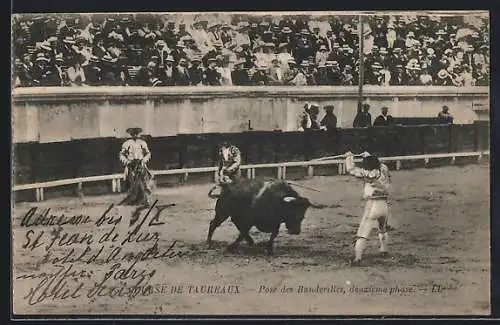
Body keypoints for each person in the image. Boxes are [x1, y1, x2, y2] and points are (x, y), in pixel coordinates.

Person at [345, 151, 391, 266]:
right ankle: (384, 250)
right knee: (382, 228)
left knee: (362, 233)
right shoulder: (383, 170)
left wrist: (349, 157)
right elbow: (379, 164)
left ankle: (357, 258)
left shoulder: (365, 173)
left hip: (372, 205)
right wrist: (369, 155)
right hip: (384, 206)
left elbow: (351, 169)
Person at [119, 127, 153, 206]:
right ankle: (133, 198)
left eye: (136, 133)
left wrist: (144, 160)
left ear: (138, 134)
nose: (134, 134)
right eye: (133, 133)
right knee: (132, 182)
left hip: (140, 164)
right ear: (130, 134)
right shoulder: (126, 143)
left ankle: (145, 199)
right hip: (131, 165)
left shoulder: (142, 143)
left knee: (144, 182)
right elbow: (121, 155)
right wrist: (127, 162)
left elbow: (148, 153)